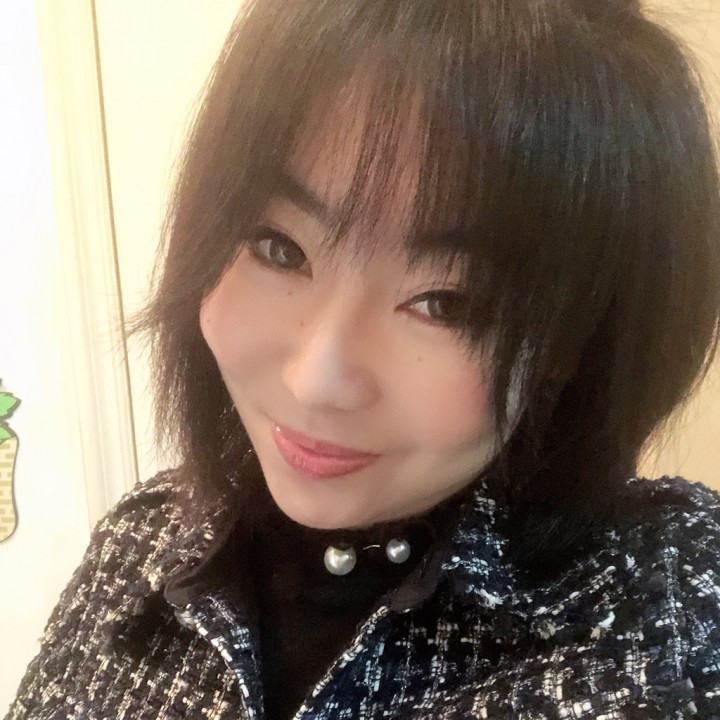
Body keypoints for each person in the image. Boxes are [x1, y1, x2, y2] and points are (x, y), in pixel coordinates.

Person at [6, 0, 720, 717]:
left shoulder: (670, 603)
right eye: (280, 248)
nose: (315, 381)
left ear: (572, 345)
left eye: (447, 303)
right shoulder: (137, 542)